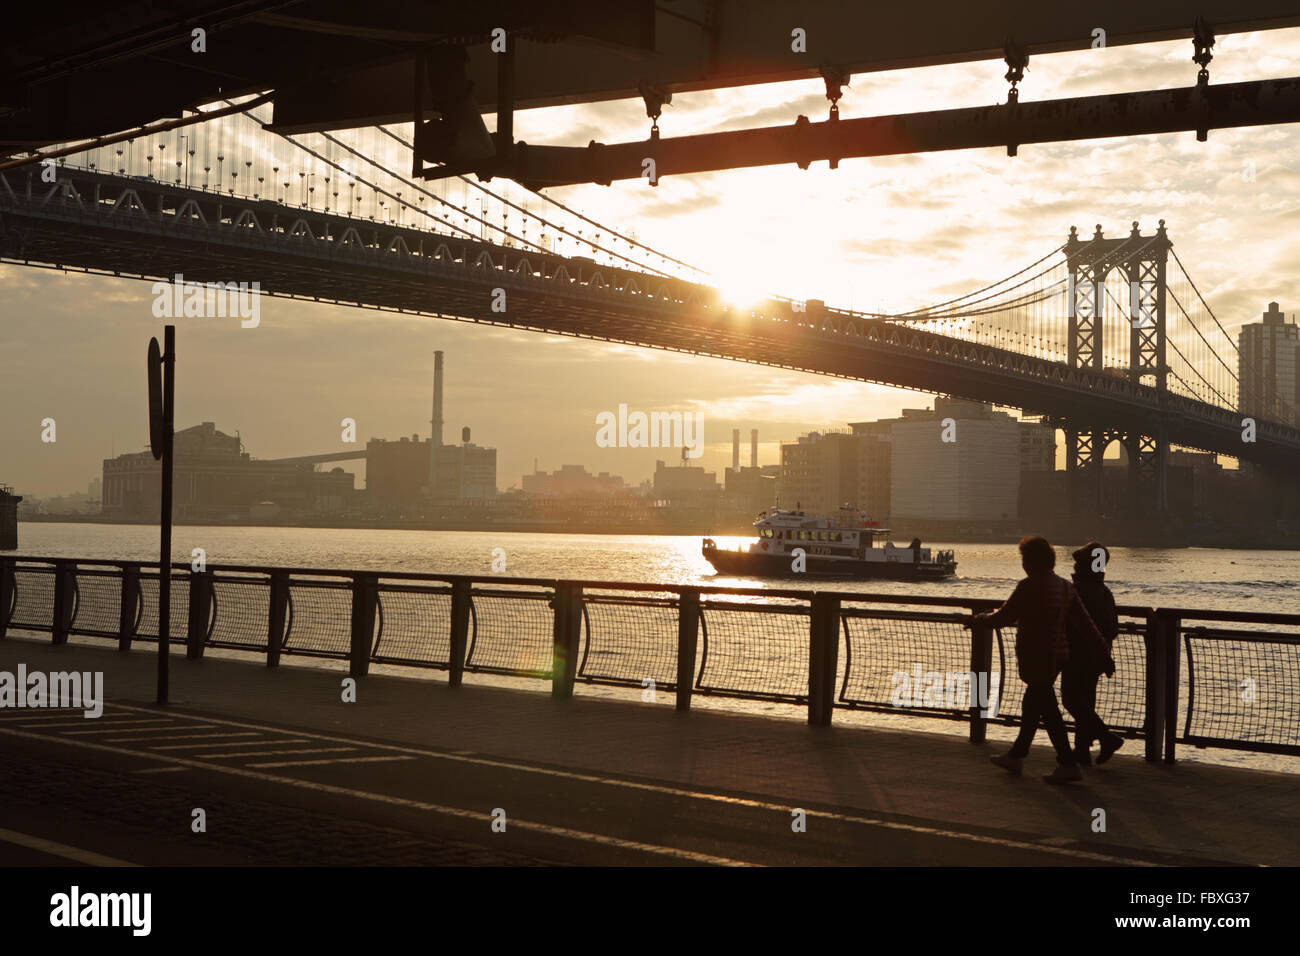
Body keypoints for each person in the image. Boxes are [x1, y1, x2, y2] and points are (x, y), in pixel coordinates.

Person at [969, 536, 1114, 784]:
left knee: (1047, 709)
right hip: (1058, 657)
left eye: (1024, 558)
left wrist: (978, 620)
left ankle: (1066, 763)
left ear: (1031, 561)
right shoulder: (1066, 587)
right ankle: (1017, 754)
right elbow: (1087, 626)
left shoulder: (1028, 586)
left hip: (1036, 656)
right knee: (1034, 705)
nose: (1023, 563)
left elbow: (1003, 617)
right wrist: (1105, 654)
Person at [1063, 542, 1124, 765]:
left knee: (1070, 699)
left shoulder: (1078, 591)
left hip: (1077, 654)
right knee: (1085, 702)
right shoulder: (1103, 592)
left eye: (1078, 563)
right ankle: (1082, 750)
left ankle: (1107, 737)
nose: (1075, 567)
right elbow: (1112, 628)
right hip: (1098, 655)